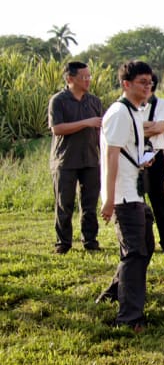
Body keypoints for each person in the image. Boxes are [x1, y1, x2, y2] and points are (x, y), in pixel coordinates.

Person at [96, 61, 156, 332]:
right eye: (142, 82)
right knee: (134, 254)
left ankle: (111, 294)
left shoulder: (134, 112)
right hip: (123, 195)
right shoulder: (120, 112)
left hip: (133, 191)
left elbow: (124, 152)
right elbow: (110, 157)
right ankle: (129, 317)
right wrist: (109, 199)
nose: (148, 86)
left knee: (144, 248)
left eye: (150, 82)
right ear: (126, 84)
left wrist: (141, 161)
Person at [48, 61, 103, 254]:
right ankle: (63, 242)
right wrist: (86, 122)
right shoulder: (58, 100)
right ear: (70, 79)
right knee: (65, 203)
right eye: (84, 77)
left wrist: (102, 155)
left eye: (89, 76)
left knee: (89, 204)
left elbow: (99, 131)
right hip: (65, 160)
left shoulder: (94, 101)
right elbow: (57, 129)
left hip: (90, 160)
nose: (88, 80)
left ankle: (90, 240)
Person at [142, 73, 164, 253]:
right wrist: (147, 126)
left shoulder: (163, 105)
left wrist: (137, 127)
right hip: (134, 157)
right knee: (137, 202)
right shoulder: (128, 106)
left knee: (161, 203)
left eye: (149, 83)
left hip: (157, 156)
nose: (147, 86)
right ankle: (144, 241)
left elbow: (159, 128)